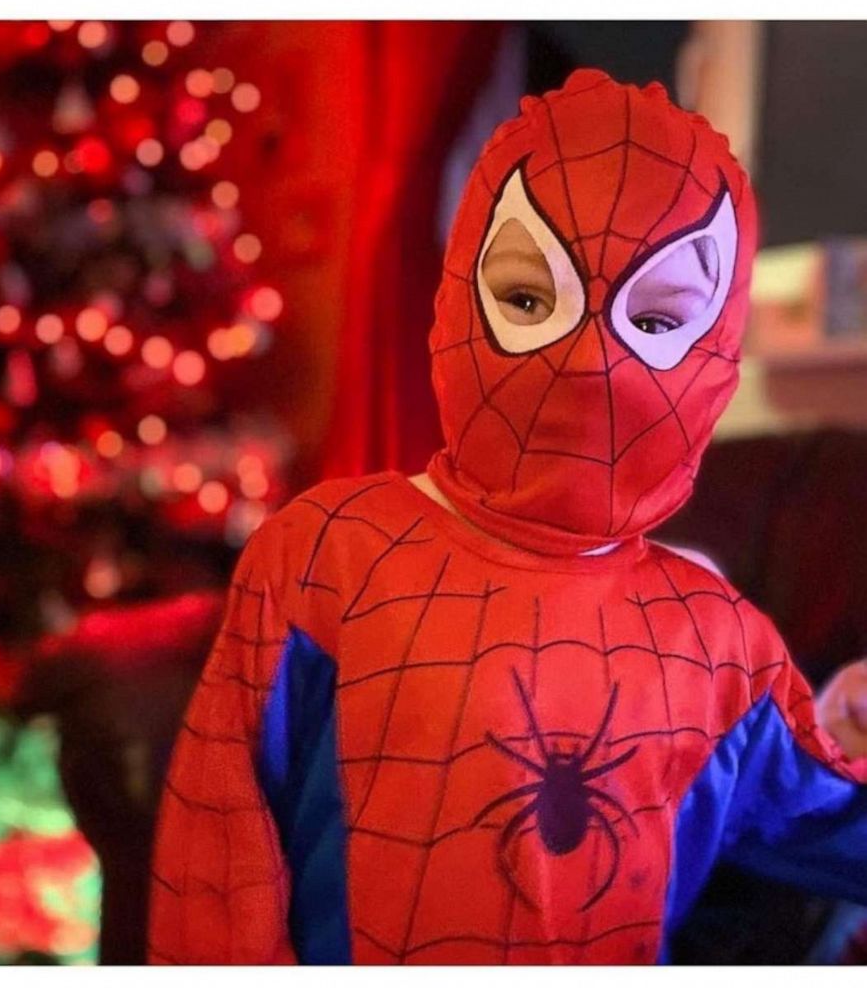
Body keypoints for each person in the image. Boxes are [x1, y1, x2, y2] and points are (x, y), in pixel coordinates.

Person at [148, 68, 867, 965]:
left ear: (714, 346)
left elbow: (836, 819)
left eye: (654, 318)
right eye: (529, 301)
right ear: (460, 296)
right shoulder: (326, 554)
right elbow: (217, 851)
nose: (590, 361)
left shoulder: (721, 642)